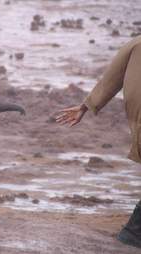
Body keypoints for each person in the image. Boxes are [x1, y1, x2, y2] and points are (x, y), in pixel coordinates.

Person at [56, 36, 141, 248]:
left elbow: (112, 76)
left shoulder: (136, 43)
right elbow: (113, 77)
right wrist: (85, 106)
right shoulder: (137, 45)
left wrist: (86, 106)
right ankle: (131, 235)